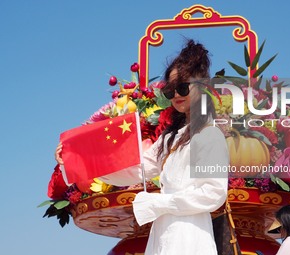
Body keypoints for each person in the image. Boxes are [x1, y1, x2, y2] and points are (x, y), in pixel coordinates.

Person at [55, 39, 230, 255]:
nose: (175, 95)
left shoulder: (209, 135)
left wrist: (161, 203)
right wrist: (77, 160)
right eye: (170, 90)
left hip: (190, 235)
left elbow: (213, 193)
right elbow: (139, 169)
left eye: (183, 88)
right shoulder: (171, 137)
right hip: (163, 232)